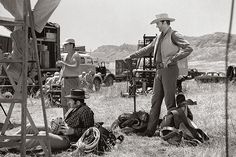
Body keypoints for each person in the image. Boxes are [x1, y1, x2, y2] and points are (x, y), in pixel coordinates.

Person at [125, 13, 193, 137]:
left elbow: (188, 48)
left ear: (164, 22)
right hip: (159, 71)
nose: (156, 26)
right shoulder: (158, 37)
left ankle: (171, 132)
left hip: (169, 70)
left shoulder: (174, 35)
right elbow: (147, 49)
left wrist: (173, 59)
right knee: (155, 101)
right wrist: (132, 56)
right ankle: (150, 131)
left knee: (169, 102)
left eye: (157, 23)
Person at [0, 89, 94, 151]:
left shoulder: (85, 111)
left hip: (67, 140)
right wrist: (56, 122)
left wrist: (73, 131)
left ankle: (11, 147)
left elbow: (90, 131)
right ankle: (7, 141)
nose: (68, 102)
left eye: (70, 100)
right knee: (30, 126)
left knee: (41, 136)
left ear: (77, 102)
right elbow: (67, 122)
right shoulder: (74, 108)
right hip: (59, 132)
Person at [56, 38, 81, 115]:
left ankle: (72, 122)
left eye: (66, 45)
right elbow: (63, 69)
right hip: (65, 81)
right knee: (64, 103)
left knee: (71, 103)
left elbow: (75, 66)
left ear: (71, 45)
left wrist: (63, 63)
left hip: (72, 81)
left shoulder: (76, 55)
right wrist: (60, 79)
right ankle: (66, 121)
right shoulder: (66, 56)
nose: (64, 46)